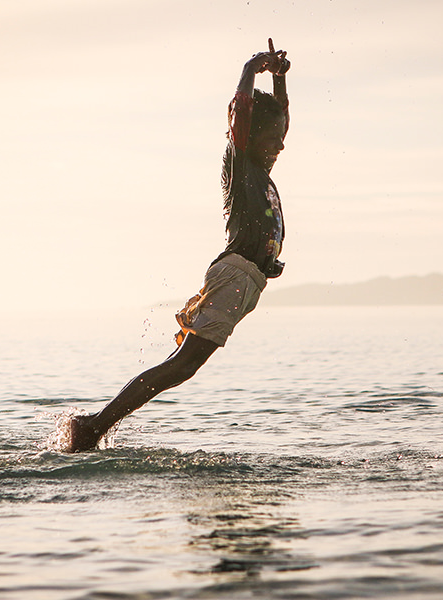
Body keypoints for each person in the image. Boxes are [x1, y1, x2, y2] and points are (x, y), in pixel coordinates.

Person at [66, 40, 291, 452]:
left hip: (248, 280)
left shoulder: (260, 167)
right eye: (273, 137)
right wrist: (250, 69)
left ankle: (95, 426)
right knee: (181, 366)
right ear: (248, 136)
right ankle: (94, 427)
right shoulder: (243, 163)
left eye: (281, 137)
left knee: (181, 366)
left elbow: (281, 121)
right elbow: (241, 113)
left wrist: (279, 81)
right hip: (235, 274)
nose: (281, 144)